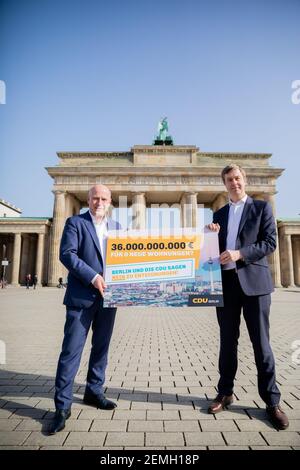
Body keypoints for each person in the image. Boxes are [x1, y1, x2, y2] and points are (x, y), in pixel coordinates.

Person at [206, 164, 289, 430]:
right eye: (229, 180)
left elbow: (269, 242)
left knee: (261, 344)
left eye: (237, 178)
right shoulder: (218, 213)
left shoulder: (262, 208)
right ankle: (225, 392)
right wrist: (210, 236)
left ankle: (272, 401)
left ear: (245, 180)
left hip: (255, 284)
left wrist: (240, 253)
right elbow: (212, 251)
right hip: (227, 285)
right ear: (225, 184)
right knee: (227, 342)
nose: (234, 183)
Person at [49, 184, 121, 435]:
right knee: (71, 351)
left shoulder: (118, 228)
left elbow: (128, 260)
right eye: (95, 198)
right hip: (81, 298)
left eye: (103, 198)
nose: (99, 202)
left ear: (110, 201)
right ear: (88, 200)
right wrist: (93, 276)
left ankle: (94, 391)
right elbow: (67, 255)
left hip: (109, 299)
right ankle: (62, 407)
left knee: (101, 349)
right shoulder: (74, 223)